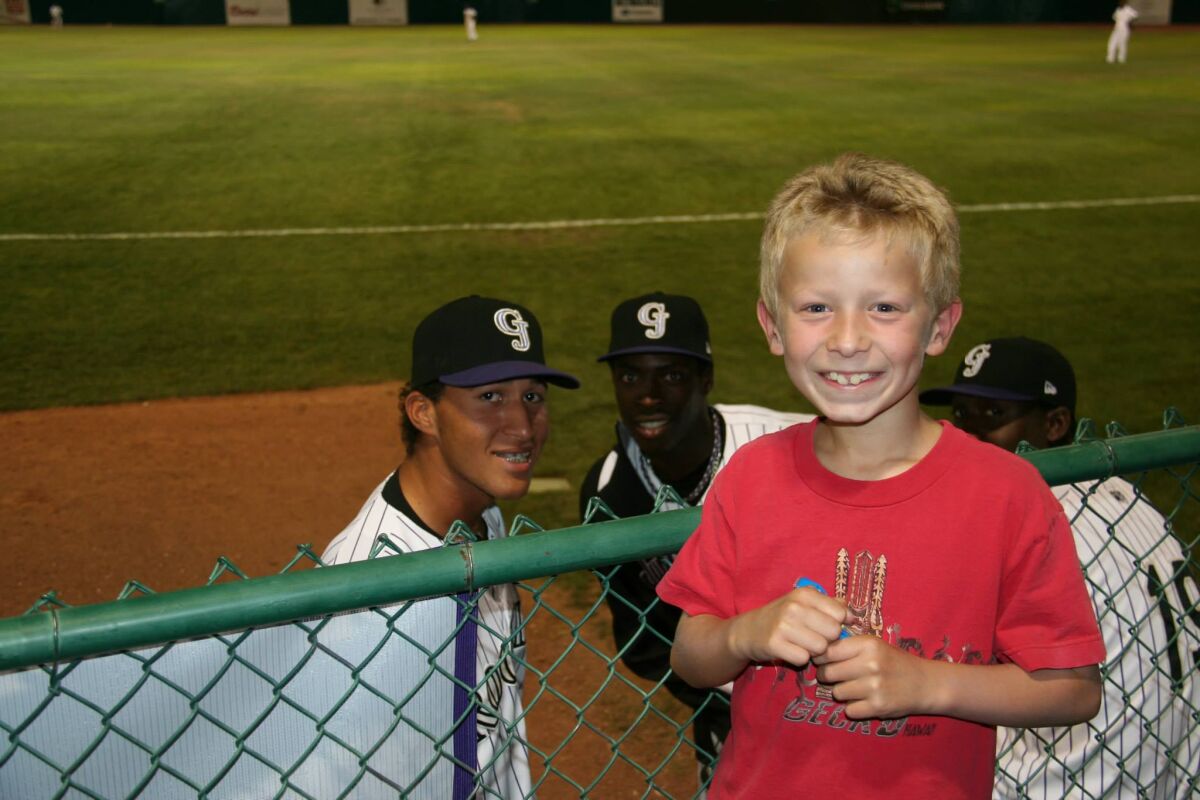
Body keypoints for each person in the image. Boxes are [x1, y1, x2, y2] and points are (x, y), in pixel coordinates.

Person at [655, 152, 1106, 797]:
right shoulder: (752, 476)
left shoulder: (1005, 494)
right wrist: (745, 633)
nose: (846, 339)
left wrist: (927, 683)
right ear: (771, 326)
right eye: (815, 308)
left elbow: (1072, 688)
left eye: (885, 308)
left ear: (940, 326)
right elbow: (689, 656)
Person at [919, 336, 1200, 798]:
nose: (968, 435)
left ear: (1054, 423)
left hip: (1069, 779)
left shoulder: (1020, 525)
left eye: (994, 416)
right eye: (961, 414)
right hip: (1169, 769)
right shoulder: (1125, 497)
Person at [322, 295, 579, 798]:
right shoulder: (374, 587)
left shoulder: (481, 511)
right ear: (424, 412)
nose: (522, 427)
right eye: (490, 398)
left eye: (533, 396)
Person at [579, 291, 812, 791]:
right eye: (630, 376)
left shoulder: (787, 446)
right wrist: (728, 700)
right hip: (727, 711)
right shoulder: (609, 493)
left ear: (706, 378)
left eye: (672, 375)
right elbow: (642, 639)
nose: (647, 395)